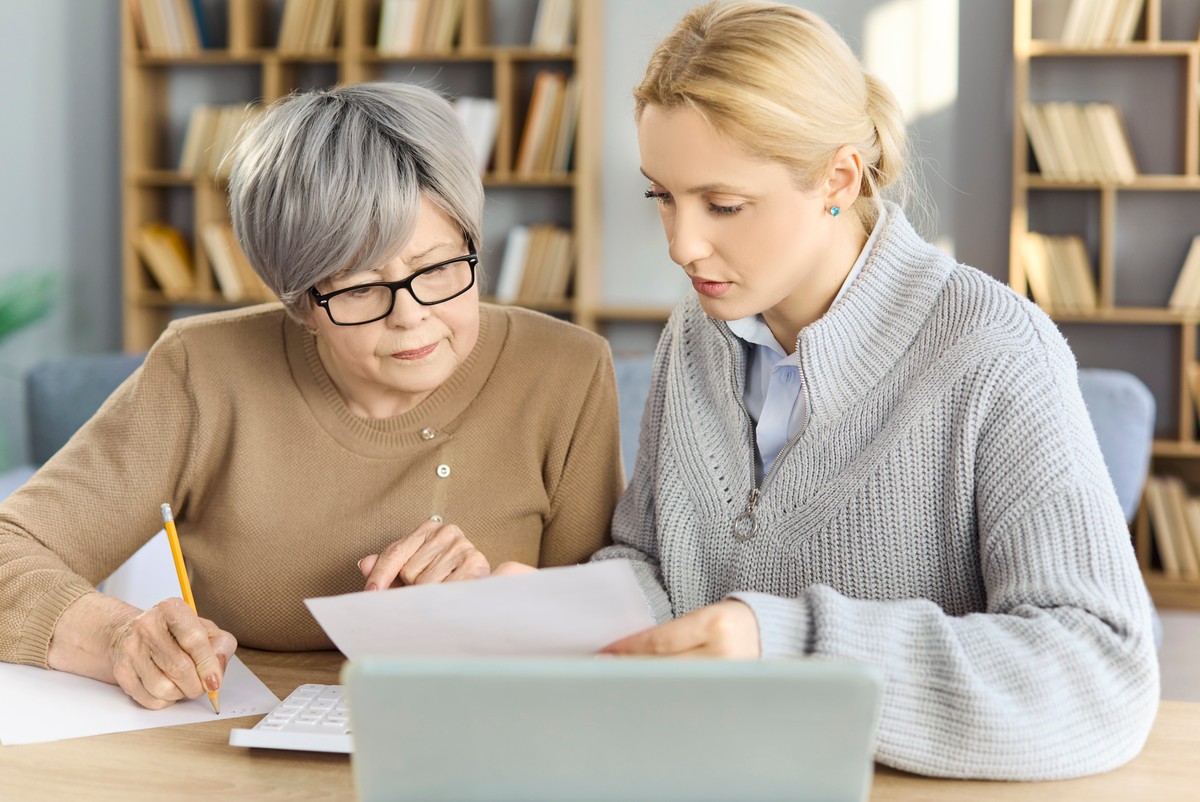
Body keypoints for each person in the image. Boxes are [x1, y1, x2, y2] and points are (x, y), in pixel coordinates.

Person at [592, 0, 1158, 782]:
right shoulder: (695, 335)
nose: (682, 243)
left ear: (838, 177)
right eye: (663, 195)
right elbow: (657, 563)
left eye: (724, 205)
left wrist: (789, 649)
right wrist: (571, 604)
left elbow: (1102, 672)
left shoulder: (994, 351)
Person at [0, 82, 622, 710]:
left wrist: (500, 610)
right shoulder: (201, 369)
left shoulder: (566, 370)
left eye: (436, 269)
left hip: (482, 730)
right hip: (228, 744)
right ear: (299, 303)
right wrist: (115, 638)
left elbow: (612, 626)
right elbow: (10, 547)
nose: (410, 317)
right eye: (357, 287)